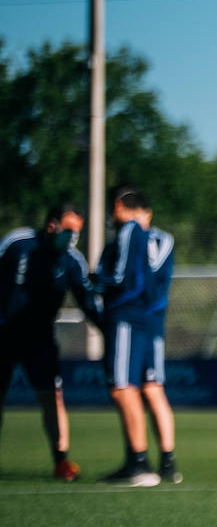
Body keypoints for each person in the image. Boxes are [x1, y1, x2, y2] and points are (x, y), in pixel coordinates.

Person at [0, 204, 94, 481]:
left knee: (52, 398)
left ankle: (61, 461)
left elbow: (87, 301)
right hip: (3, 334)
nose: (73, 236)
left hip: (40, 340)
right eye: (69, 229)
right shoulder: (17, 242)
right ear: (51, 225)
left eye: (78, 230)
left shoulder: (73, 260)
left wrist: (106, 328)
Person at [92, 187, 160, 487]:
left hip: (126, 316)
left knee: (123, 388)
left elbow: (120, 277)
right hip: (137, 318)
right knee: (126, 388)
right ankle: (135, 461)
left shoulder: (129, 230)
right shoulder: (142, 234)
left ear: (118, 205)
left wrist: (94, 280)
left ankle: (140, 463)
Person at [136, 202, 181, 484]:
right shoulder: (122, 240)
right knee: (130, 392)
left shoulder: (159, 239)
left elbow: (151, 268)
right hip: (126, 325)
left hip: (148, 325)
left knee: (152, 389)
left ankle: (167, 460)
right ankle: (138, 459)